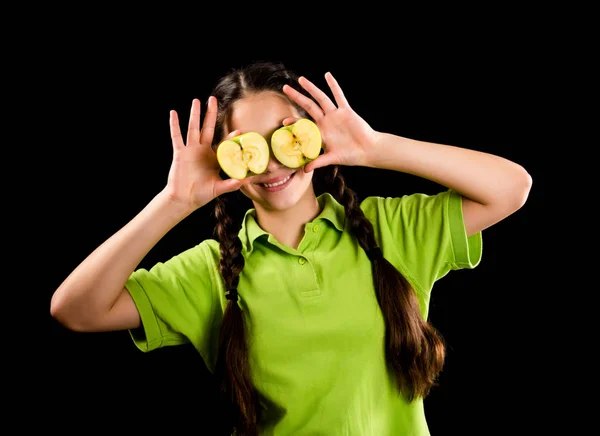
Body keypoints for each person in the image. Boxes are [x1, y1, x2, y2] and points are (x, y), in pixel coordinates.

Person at [50, 60, 532, 435]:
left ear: (313, 137)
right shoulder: (210, 270)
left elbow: (512, 187)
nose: (272, 160)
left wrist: (377, 147)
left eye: (286, 134)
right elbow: (75, 309)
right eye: (246, 146)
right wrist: (173, 202)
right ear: (225, 163)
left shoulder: (391, 229)